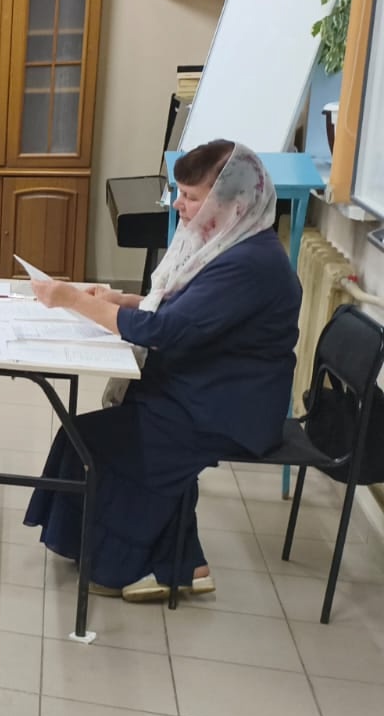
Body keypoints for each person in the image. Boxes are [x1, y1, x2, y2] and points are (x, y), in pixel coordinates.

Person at [24, 140, 300, 601]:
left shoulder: (251, 263)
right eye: (181, 193)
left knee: (106, 444)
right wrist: (122, 301)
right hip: (203, 388)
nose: (179, 205)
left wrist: (73, 300)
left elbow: (165, 330)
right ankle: (176, 560)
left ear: (234, 204)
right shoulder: (229, 243)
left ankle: (168, 566)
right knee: (84, 437)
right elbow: (183, 310)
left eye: (191, 197)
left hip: (227, 409)